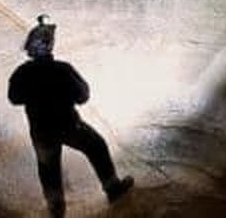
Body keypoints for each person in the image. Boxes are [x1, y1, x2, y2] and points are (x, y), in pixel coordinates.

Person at [8, 15, 134, 217]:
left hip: (41, 131)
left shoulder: (22, 73)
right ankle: (113, 188)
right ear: (50, 46)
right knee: (97, 146)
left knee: (48, 168)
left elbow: (14, 98)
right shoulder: (63, 70)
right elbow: (83, 96)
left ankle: (56, 208)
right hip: (69, 126)